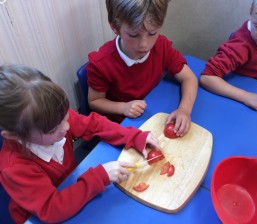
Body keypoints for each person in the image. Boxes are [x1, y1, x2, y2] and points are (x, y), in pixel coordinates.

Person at [0, 64, 161, 223]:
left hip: (71, 187)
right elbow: (51, 208)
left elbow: (94, 124)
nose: (67, 126)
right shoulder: (14, 168)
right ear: (14, 136)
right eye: (53, 130)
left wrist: (132, 136)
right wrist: (99, 177)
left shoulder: (52, 118)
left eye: (66, 116)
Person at [87, 0, 198, 137]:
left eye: (152, 33)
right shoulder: (101, 63)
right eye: (134, 35)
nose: (144, 45)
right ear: (115, 27)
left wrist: (184, 109)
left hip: (155, 111)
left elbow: (189, 77)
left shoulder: (161, 46)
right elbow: (94, 101)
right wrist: (123, 107)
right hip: (124, 126)